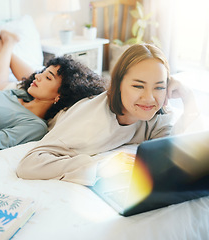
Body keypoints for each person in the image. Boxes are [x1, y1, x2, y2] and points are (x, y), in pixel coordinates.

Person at [16, 43, 201, 185]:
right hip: (63, 109)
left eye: (159, 87)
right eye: (138, 85)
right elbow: (29, 163)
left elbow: (172, 154)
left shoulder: (157, 113)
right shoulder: (89, 122)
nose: (149, 98)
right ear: (118, 84)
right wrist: (93, 166)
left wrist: (189, 98)